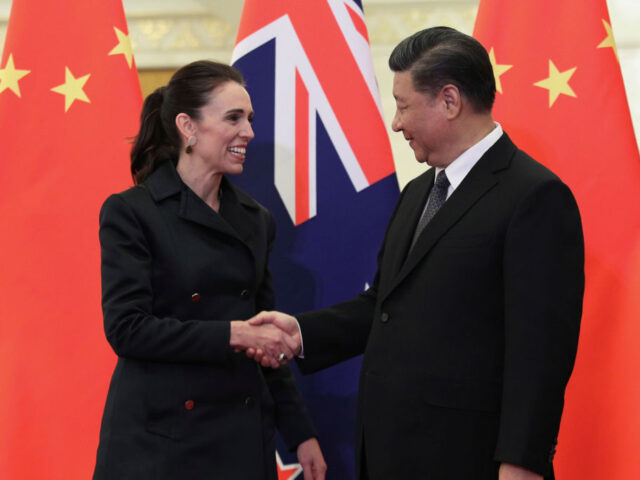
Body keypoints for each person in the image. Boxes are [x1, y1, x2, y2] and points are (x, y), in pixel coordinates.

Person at [247, 27, 584, 480]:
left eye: (403, 106)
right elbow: (386, 305)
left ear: (449, 101)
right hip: (389, 454)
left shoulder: (535, 197)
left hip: (469, 460)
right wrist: (300, 334)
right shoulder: (418, 192)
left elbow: (540, 355)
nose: (395, 123)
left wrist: (521, 463)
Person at [93, 60, 326, 480]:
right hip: (159, 442)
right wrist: (234, 334)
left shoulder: (255, 219)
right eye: (233, 118)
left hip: (238, 437)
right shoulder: (132, 212)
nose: (249, 132)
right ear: (188, 126)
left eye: (250, 119)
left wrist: (300, 433)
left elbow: (265, 335)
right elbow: (127, 328)